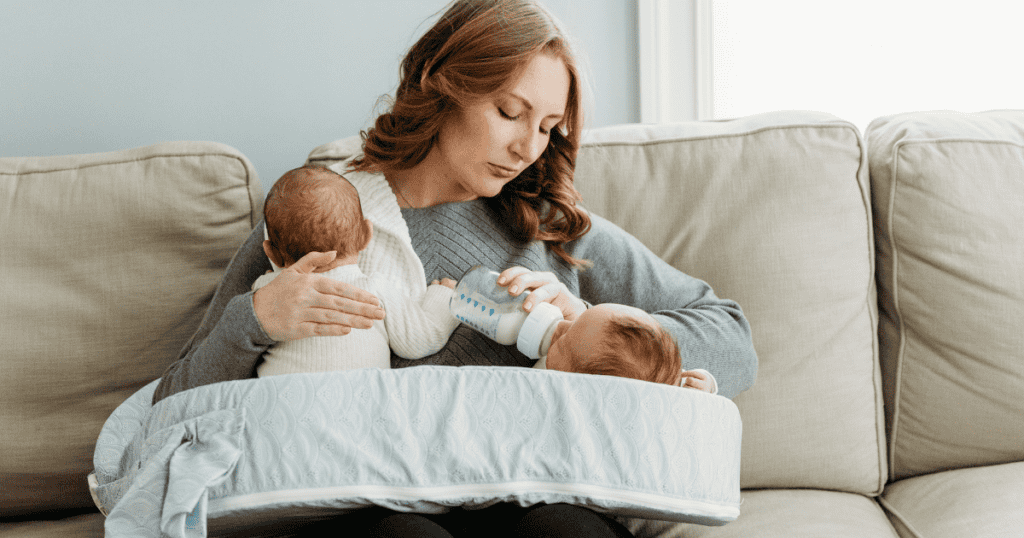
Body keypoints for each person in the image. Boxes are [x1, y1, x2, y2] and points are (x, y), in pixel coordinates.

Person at [153, 0, 757, 535]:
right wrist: (257, 317)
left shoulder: (547, 226)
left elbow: (732, 336)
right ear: (443, 87)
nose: (528, 149)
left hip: (530, 496)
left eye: (548, 127)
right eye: (509, 112)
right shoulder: (323, 222)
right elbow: (173, 409)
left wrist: (588, 327)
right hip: (375, 504)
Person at [255, 165, 459, 376]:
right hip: (360, 401)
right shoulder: (373, 289)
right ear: (366, 236)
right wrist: (444, 296)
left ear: (272, 253)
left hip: (281, 401)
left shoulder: (266, 292)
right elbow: (419, 339)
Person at [531, 302, 718, 393]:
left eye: (563, 343)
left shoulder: (545, 386)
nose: (562, 324)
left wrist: (705, 390)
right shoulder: (655, 377)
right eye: (576, 320)